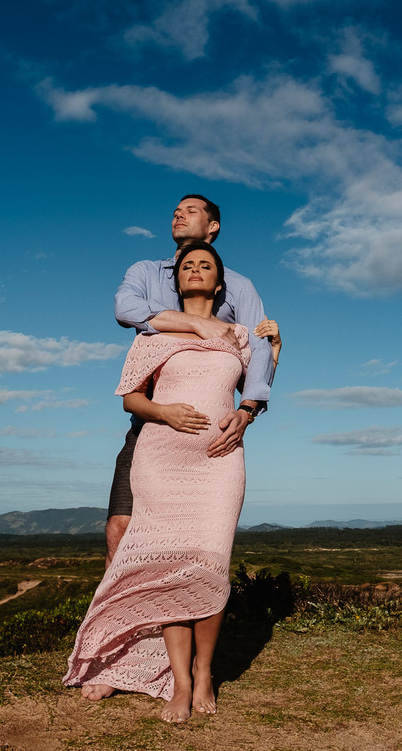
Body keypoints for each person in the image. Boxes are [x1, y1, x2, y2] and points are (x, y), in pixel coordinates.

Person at [65, 241, 250, 723]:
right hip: (161, 460)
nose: (194, 269)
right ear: (176, 278)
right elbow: (130, 399)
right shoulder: (152, 333)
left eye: (204, 264)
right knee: (170, 565)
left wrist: (250, 405)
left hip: (219, 462)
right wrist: (163, 411)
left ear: (219, 282)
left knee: (210, 563)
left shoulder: (240, 336)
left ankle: (205, 672)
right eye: (186, 265)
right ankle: (181, 683)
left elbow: (258, 390)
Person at [106, 194, 275, 565]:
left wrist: (248, 409)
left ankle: (183, 612)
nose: (178, 215)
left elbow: (258, 350)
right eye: (175, 212)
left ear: (213, 226)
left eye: (190, 211)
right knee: (121, 527)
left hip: (210, 434)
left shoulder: (239, 285)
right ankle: (128, 620)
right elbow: (125, 308)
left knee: (199, 541)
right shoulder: (146, 272)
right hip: (149, 425)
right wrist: (196, 322)